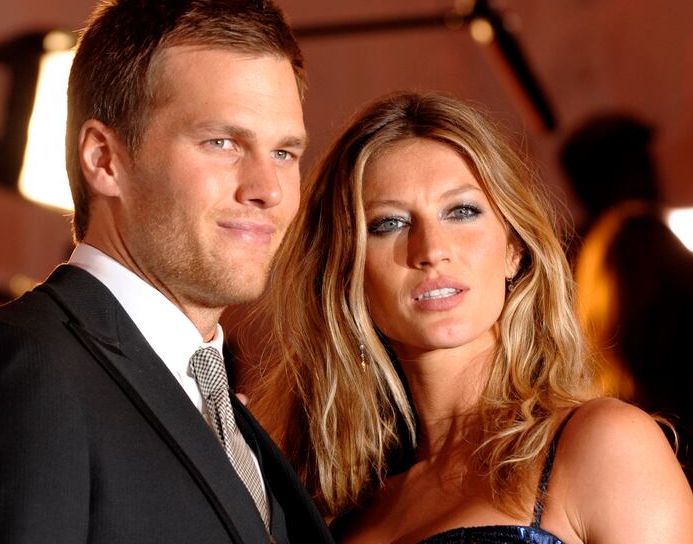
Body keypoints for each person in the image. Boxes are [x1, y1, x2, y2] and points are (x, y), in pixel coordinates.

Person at [0, 0, 333, 544]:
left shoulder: (225, 406)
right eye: (221, 143)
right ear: (104, 159)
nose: (267, 189)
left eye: (284, 151)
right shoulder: (14, 371)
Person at [250, 93, 693, 542]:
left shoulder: (604, 446)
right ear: (347, 271)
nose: (431, 250)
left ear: (514, 250)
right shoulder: (334, 503)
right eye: (389, 224)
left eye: (462, 212)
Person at [563, 114, 693, 483]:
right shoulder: (638, 234)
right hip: (673, 420)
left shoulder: (576, 252)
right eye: (640, 161)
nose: (655, 172)